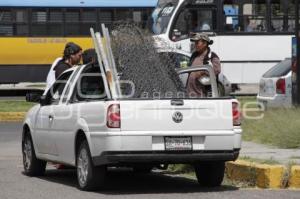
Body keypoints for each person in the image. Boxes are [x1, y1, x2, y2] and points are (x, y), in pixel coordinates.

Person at [187, 33, 221, 97]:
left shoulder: (212, 56)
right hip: (190, 93)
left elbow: (217, 70)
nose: (195, 45)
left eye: (197, 42)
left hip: (202, 95)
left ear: (205, 43)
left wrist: (202, 72)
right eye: (195, 43)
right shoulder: (194, 55)